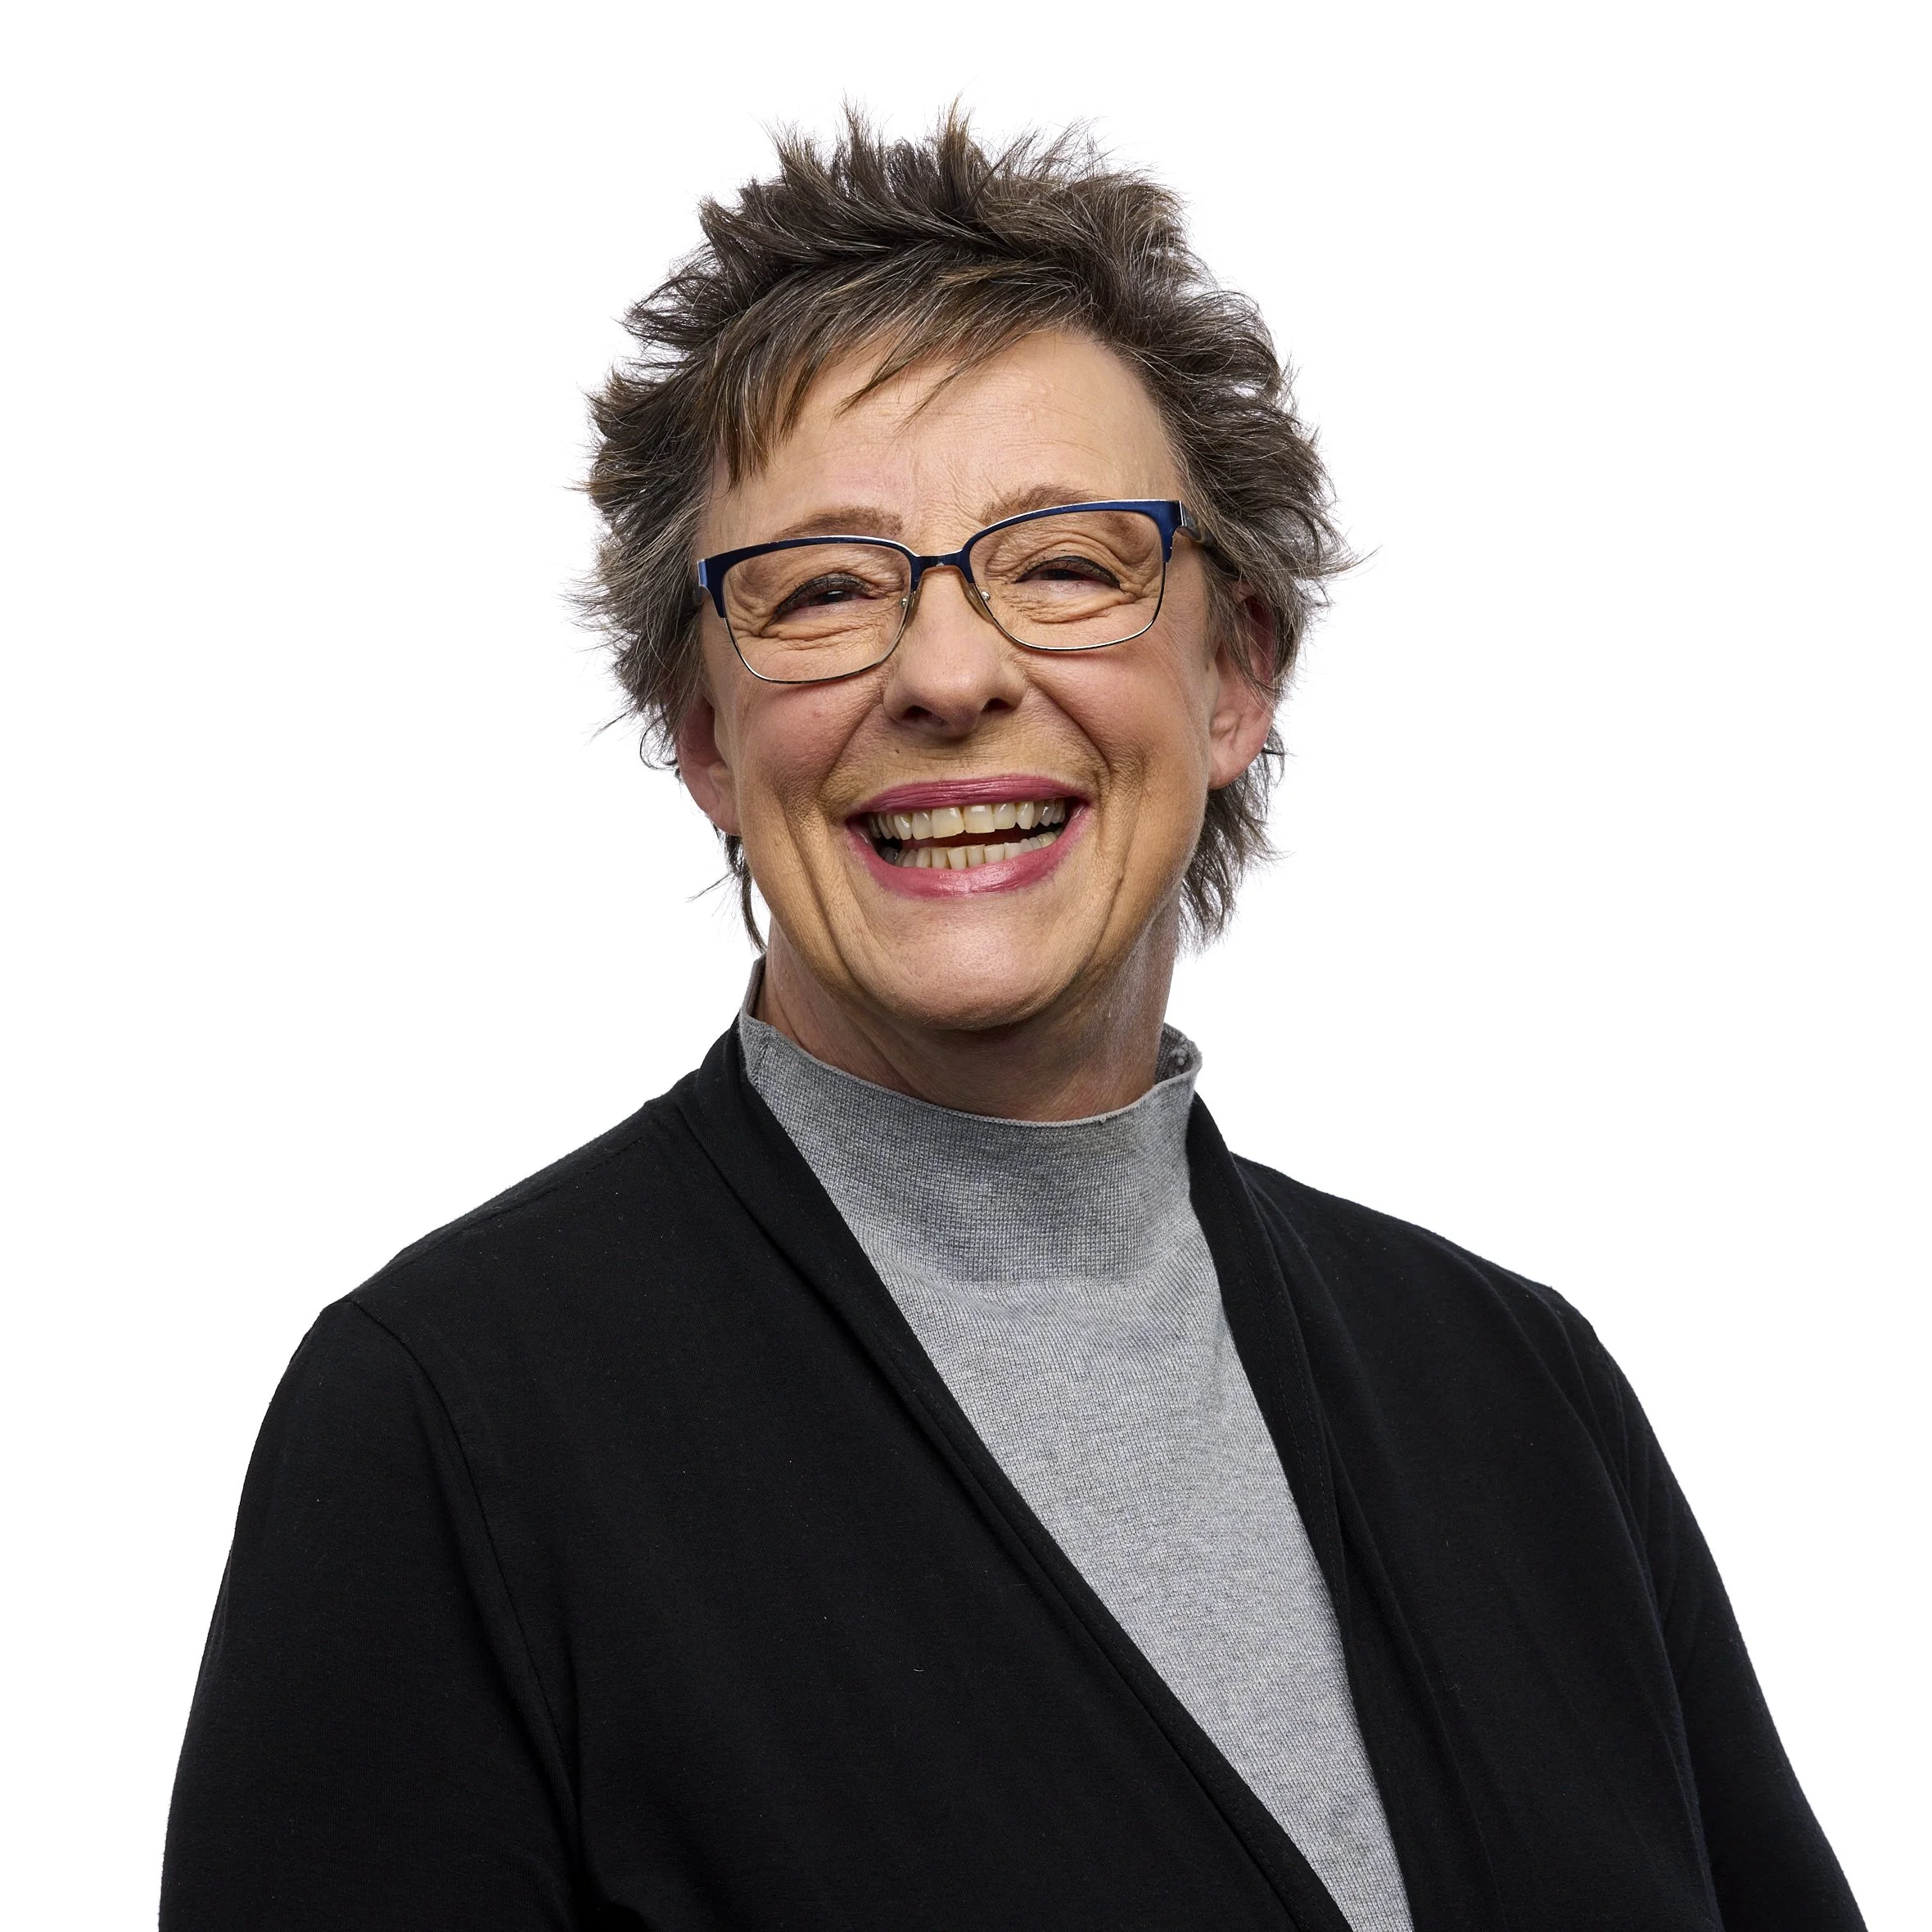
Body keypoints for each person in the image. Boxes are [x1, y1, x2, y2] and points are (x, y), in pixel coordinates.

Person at [160, 114, 1863, 1932]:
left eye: (1064, 563)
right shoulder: (448, 1425)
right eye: (821, 591)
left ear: (1233, 677)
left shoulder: (1520, 1400)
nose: (953, 672)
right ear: (707, 740)